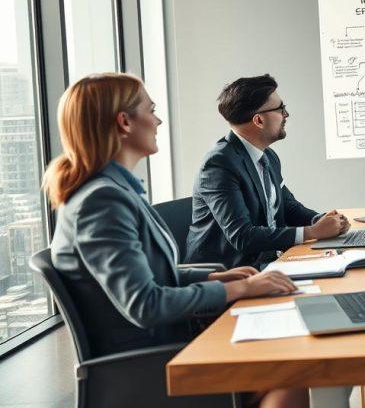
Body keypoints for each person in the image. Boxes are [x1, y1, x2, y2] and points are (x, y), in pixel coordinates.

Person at [44, 73, 307, 408]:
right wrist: (237, 289)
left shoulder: (116, 191)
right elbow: (144, 303)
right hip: (152, 363)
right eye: (150, 110)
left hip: (168, 344)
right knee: (297, 371)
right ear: (124, 122)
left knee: (295, 359)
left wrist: (213, 276)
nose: (158, 120)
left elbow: (148, 274)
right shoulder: (102, 203)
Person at [187, 75, 350, 268]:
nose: (286, 114)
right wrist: (312, 232)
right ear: (258, 120)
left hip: (271, 262)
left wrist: (321, 220)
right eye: (281, 109)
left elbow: (288, 207)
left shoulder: (268, 157)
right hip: (232, 272)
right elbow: (242, 237)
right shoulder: (219, 164)